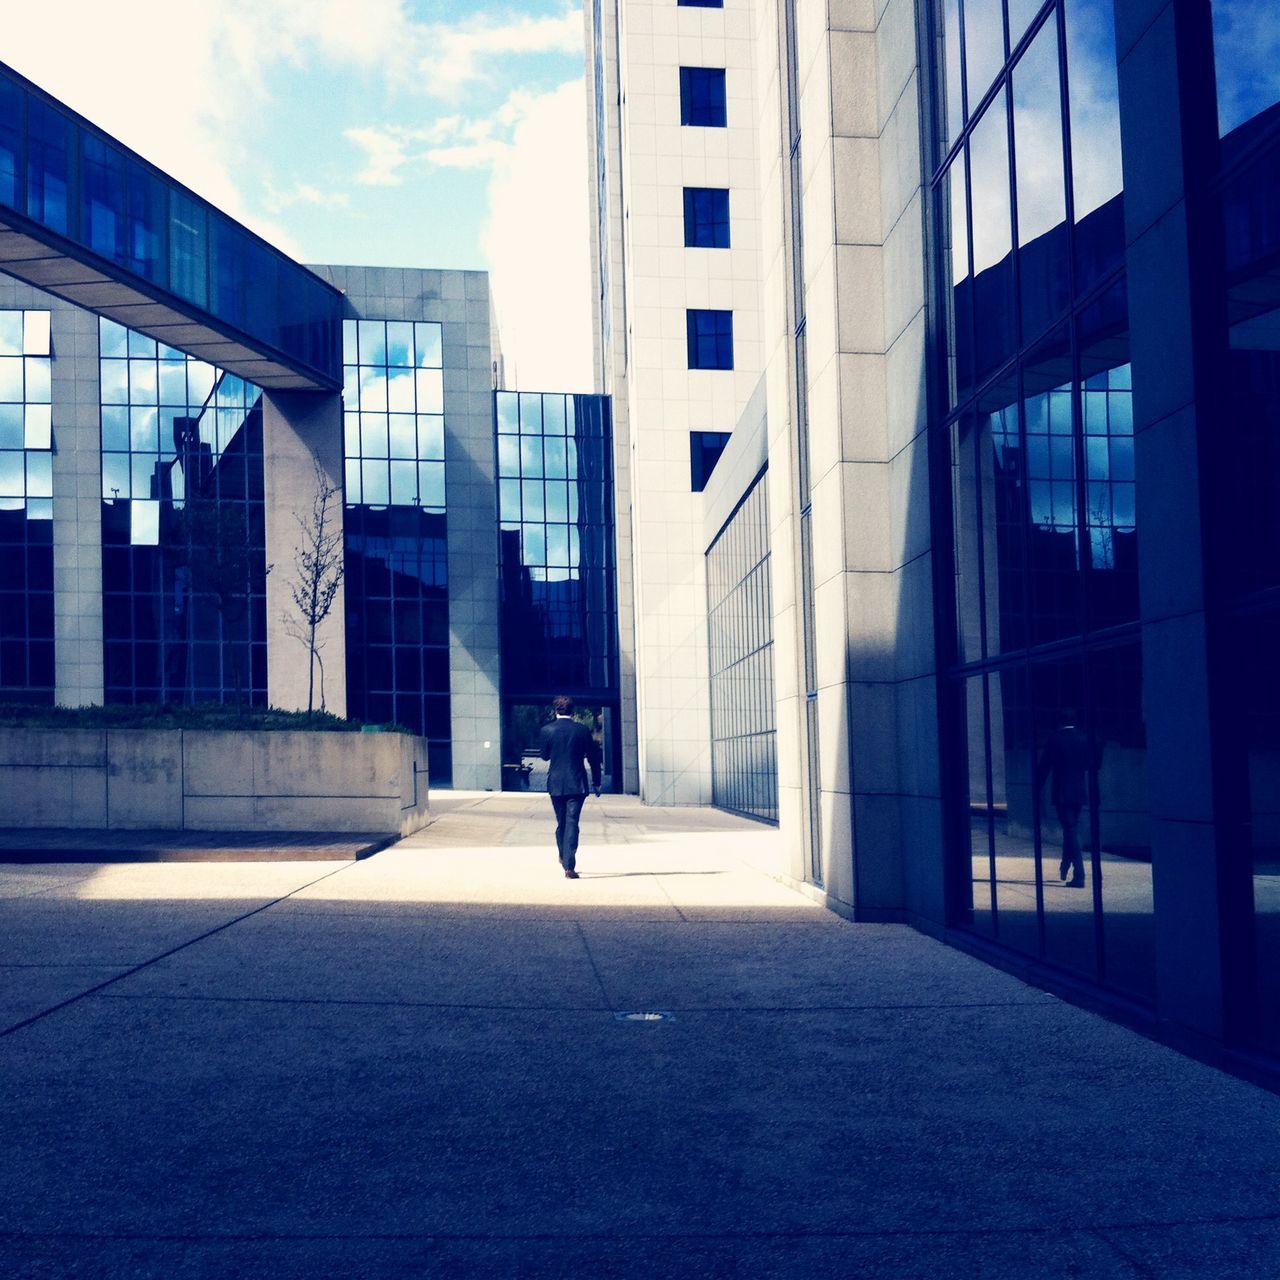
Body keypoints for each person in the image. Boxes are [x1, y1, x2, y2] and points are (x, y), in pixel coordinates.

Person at [538, 696, 602, 879]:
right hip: (577, 783)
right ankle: (569, 865)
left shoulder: (547, 730)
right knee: (572, 822)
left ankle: (563, 855)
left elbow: (544, 756)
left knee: (562, 823)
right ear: (573, 711)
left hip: (556, 783)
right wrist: (597, 782)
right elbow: (593, 757)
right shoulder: (581, 730)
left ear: (555, 710)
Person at [1036, 713, 1092, 889]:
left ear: (1060, 722)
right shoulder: (1083, 738)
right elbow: (1092, 762)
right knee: (1071, 830)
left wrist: (1037, 787)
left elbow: (1044, 766)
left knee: (1070, 831)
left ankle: (1079, 875)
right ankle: (1065, 865)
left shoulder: (1055, 739)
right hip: (1079, 793)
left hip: (1062, 793)